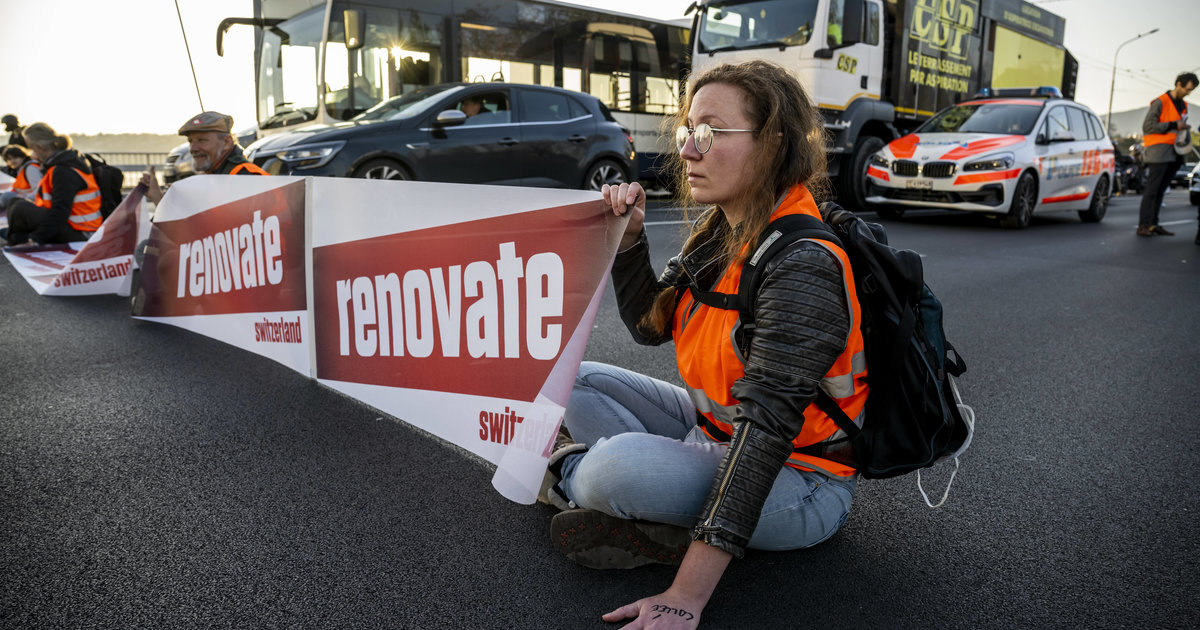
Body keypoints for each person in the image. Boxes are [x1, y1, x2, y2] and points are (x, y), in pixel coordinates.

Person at [539, 60, 866, 628]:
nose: (687, 150)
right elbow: (649, 326)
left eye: (710, 133)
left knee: (606, 473)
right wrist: (629, 241)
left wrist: (686, 596)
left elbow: (764, 436)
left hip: (800, 478)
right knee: (574, 378)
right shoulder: (722, 229)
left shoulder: (804, 264)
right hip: (712, 431)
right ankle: (653, 515)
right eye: (688, 130)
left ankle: (571, 474)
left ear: (772, 144)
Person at [3, 123, 103, 246]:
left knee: (20, 208)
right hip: (73, 224)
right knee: (15, 203)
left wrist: (36, 239)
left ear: (40, 148)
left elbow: (60, 211)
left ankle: (21, 242)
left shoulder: (63, 171)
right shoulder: (66, 162)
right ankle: (17, 241)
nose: (32, 155)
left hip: (81, 231)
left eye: (32, 149)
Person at [140, 111, 267, 205]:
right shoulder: (210, 177)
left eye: (202, 140)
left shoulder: (246, 177)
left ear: (227, 142)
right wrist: (157, 196)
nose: (193, 149)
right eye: (191, 141)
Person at [1137, 72, 1197, 237]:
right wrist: (1173, 125)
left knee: (1161, 190)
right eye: (1187, 89)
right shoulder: (1160, 102)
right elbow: (1148, 126)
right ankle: (1143, 225)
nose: (1188, 93)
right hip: (1158, 152)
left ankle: (1153, 224)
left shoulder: (1182, 105)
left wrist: (1183, 129)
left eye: (1191, 90)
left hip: (1175, 152)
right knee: (1152, 189)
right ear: (1178, 84)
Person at [0, 144, 42, 211]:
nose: (12, 161)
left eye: (15, 158)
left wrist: (24, 198)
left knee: (6, 196)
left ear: (23, 156)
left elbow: (39, 190)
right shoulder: (21, 168)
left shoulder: (30, 169)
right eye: (9, 159)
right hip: (25, 198)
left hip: (31, 201)